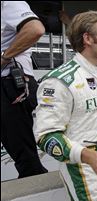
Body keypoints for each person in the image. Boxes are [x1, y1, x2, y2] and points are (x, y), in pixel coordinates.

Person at [34, 11, 97, 201]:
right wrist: (89, 156)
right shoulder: (59, 81)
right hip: (83, 168)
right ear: (88, 39)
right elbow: (46, 137)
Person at [1, 1, 48, 178]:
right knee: (23, 155)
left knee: (26, 161)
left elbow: (35, 29)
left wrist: (3, 58)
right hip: (11, 85)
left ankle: (39, 197)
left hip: (11, 84)